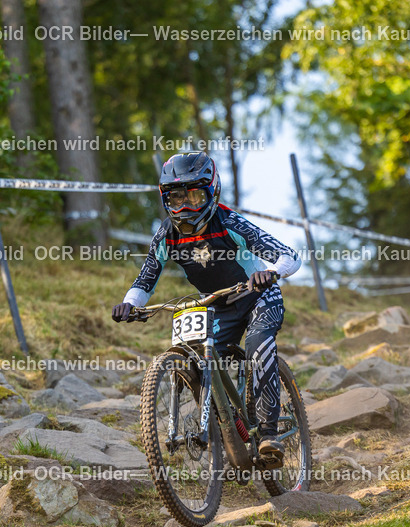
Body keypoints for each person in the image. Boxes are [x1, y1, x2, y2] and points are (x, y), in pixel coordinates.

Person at [111, 151, 302, 466]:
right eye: (175, 198)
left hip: (256, 297)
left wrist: (272, 272)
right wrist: (130, 304)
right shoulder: (166, 235)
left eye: (195, 195)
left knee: (257, 347)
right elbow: (146, 278)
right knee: (196, 362)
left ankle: (268, 432)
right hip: (216, 306)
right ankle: (228, 434)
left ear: (212, 192)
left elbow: (288, 255)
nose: (185, 207)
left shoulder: (228, 221)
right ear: (165, 199)